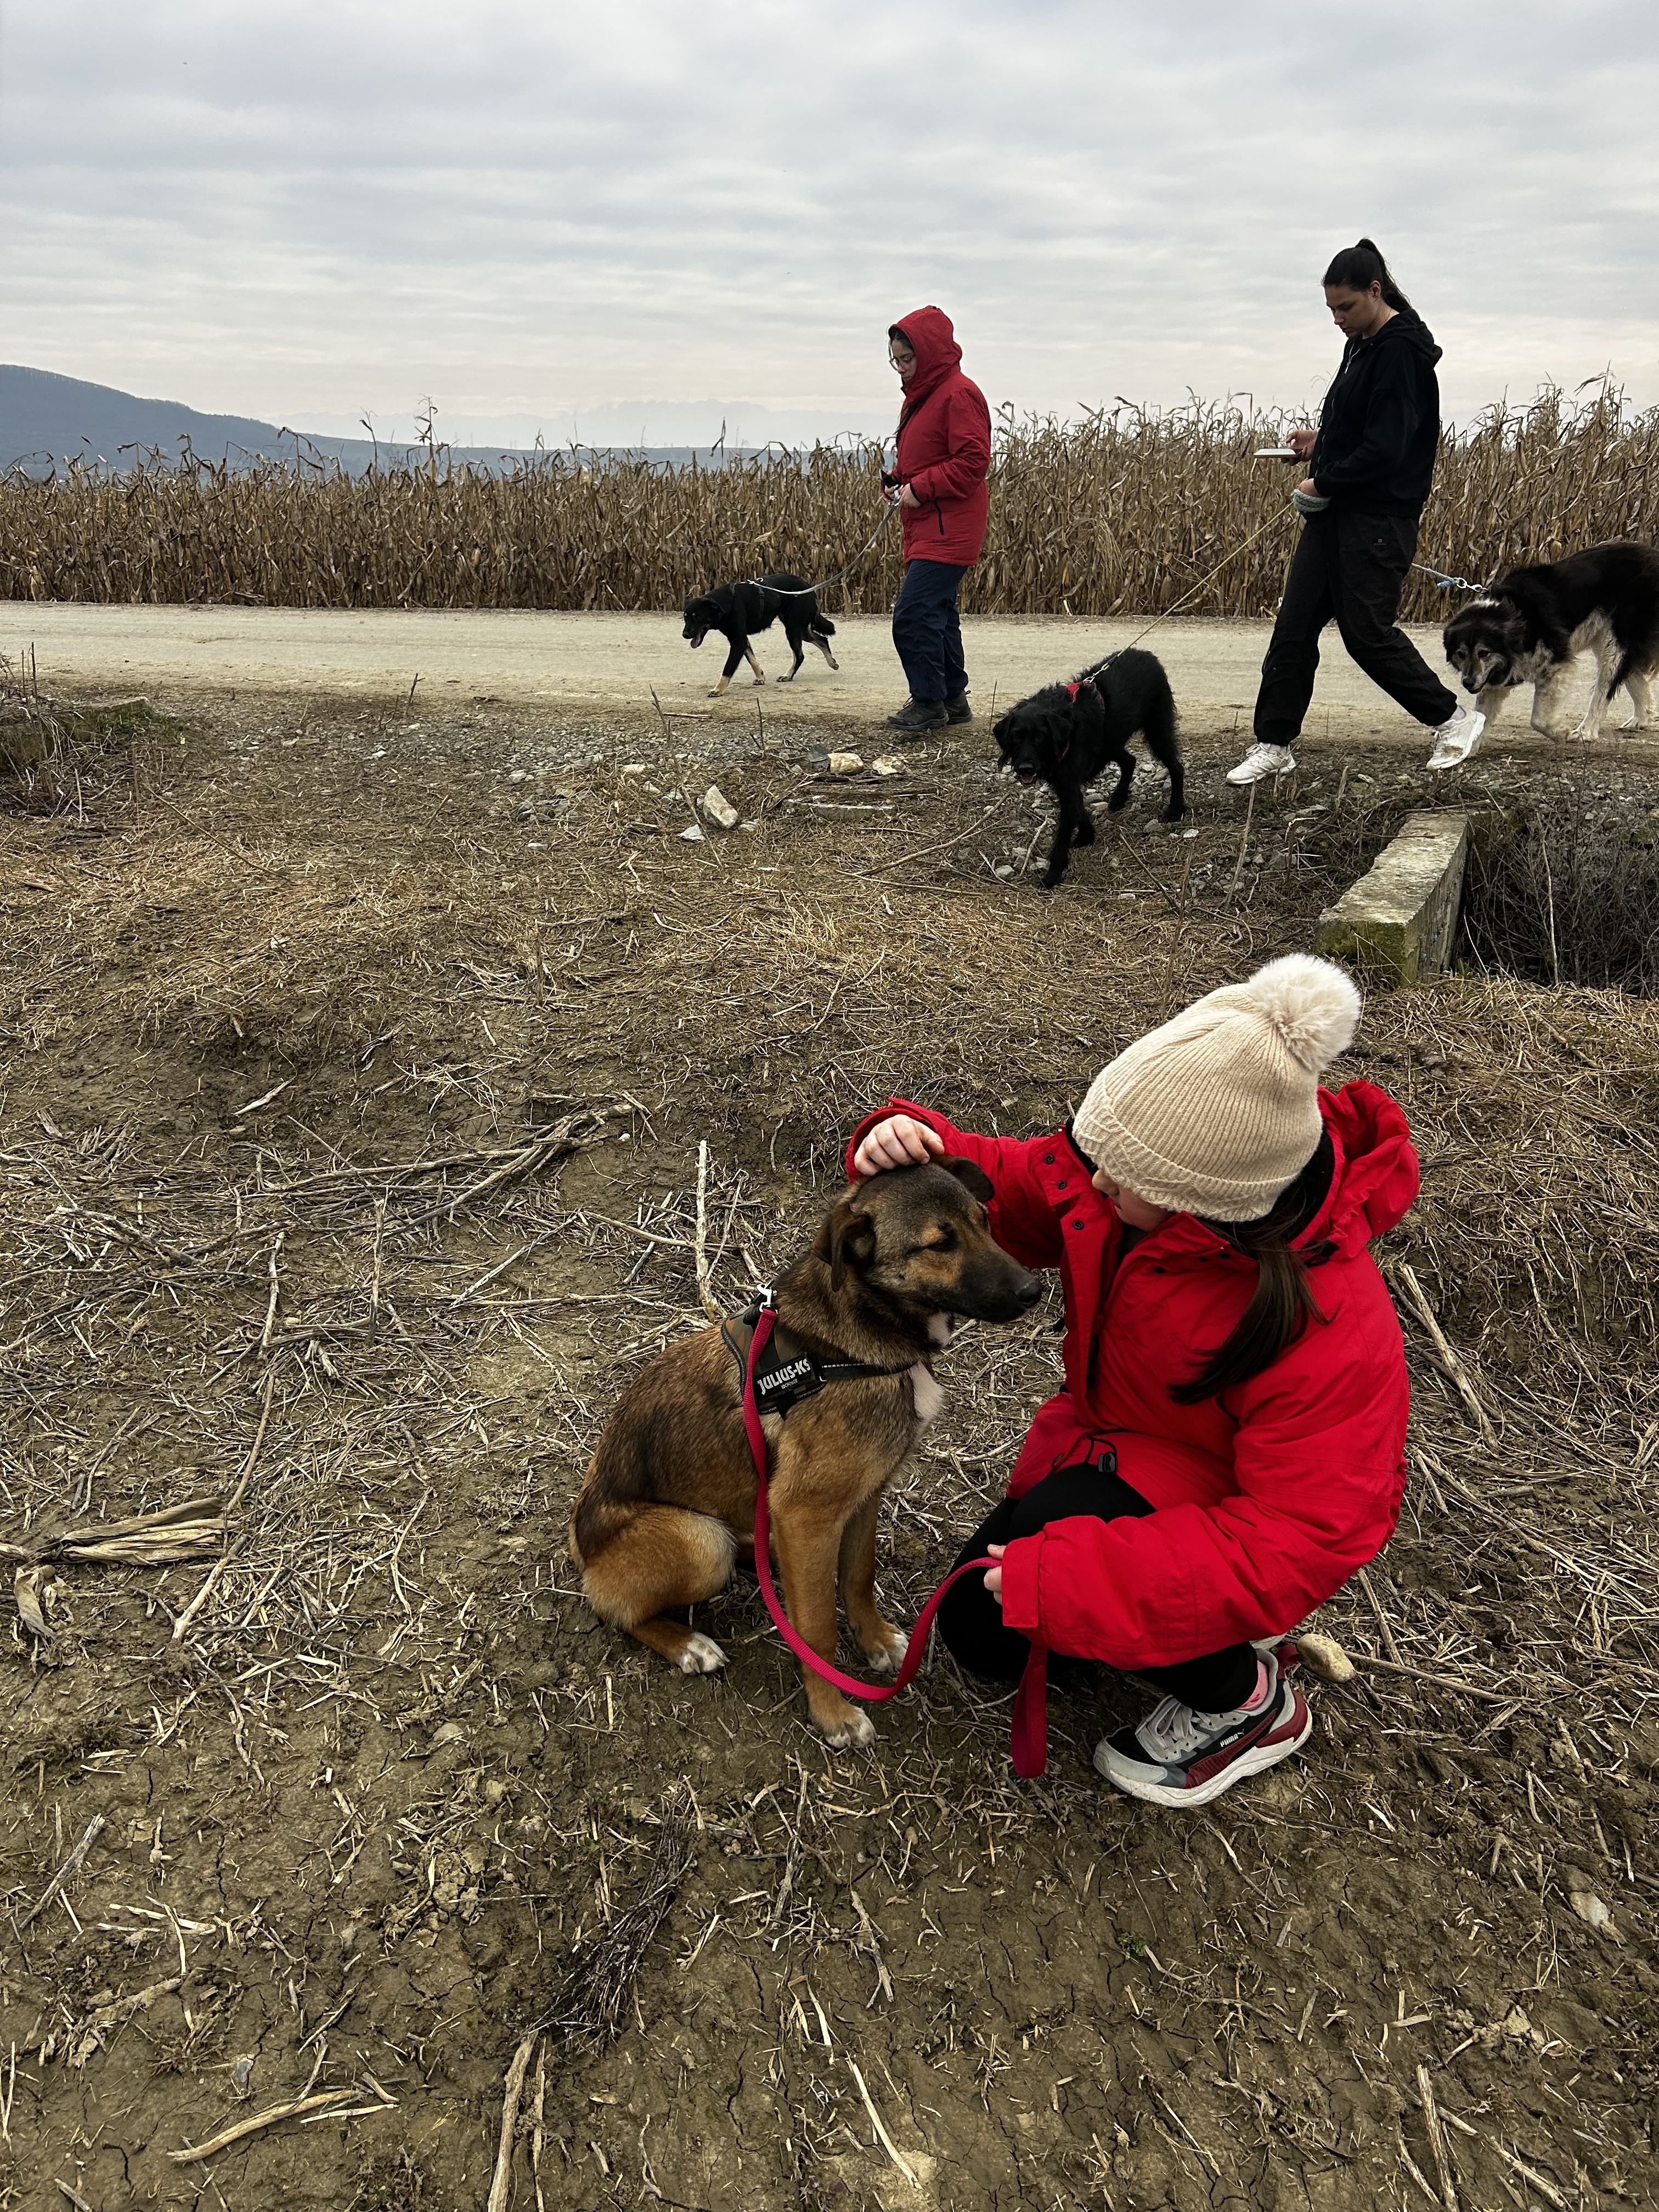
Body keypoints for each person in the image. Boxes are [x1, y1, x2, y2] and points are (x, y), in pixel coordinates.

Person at [846, 953, 1418, 1808]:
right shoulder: (1133, 1182)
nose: (1096, 1177)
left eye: (1123, 1171)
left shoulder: (1332, 1328)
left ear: (1206, 1201)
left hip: (1228, 1512)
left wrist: (1085, 1585)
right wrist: (918, 1146)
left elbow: (1302, 1536)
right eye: (1097, 1150)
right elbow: (1029, 1183)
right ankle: (1143, 1610)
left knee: (1053, 1586)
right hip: (1116, 1456)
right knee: (980, 1638)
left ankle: (1248, 1702)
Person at [1229, 239, 1484, 785]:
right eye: (1331, 310)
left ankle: (1454, 720)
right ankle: (1274, 743)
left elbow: (1387, 447)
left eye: (1345, 307)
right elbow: (1361, 426)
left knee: (1367, 634)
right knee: (1294, 627)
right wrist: (1320, 442)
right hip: (1335, 515)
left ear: (1374, 291)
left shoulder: (1400, 352)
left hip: (1379, 520)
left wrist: (1323, 480)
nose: (1338, 319)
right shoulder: (1362, 344)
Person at [881, 308, 992, 733]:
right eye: (896, 360)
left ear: (928, 353)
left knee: (913, 615)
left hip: (950, 526)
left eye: (907, 359)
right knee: (938, 614)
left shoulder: (957, 394)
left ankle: (928, 703)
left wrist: (922, 488)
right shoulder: (924, 395)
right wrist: (898, 479)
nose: (901, 369)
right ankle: (952, 700)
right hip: (930, 523)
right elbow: (929, 455)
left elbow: (972, 462)